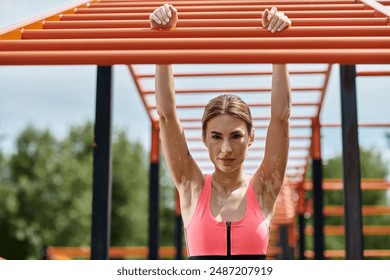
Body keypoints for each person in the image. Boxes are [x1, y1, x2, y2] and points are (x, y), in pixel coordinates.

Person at [150, 4, 291, 260]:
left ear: (251, 138)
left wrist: (278, 41)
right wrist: (163, 37)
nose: (226, 149)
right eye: (216, 136)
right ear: (204, 138)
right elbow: (166, 115)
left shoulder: (264, 188)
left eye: (235, 136)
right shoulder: (191, 186)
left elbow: (280, 118)